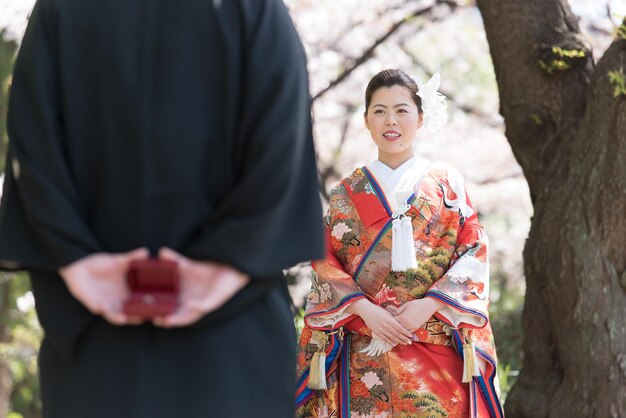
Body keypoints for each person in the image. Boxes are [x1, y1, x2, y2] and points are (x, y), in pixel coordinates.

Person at [0, 0, 324, 417]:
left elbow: (32, 136)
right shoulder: (253, 8)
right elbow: (285, 134)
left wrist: (79, 261)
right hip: (232, 327)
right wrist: (228, 262)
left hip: (97, 320)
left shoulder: (61, 8)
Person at [295, 69, 504, 418]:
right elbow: (324, 260)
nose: (390, 121)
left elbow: (473, 249)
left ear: (420, 118)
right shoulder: (346, 192)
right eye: (379, 111)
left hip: (433, 342)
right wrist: (365, 310)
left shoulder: (446, 184)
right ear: (365, 120)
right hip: (365, 345)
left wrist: (430, 304)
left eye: (401, 110)